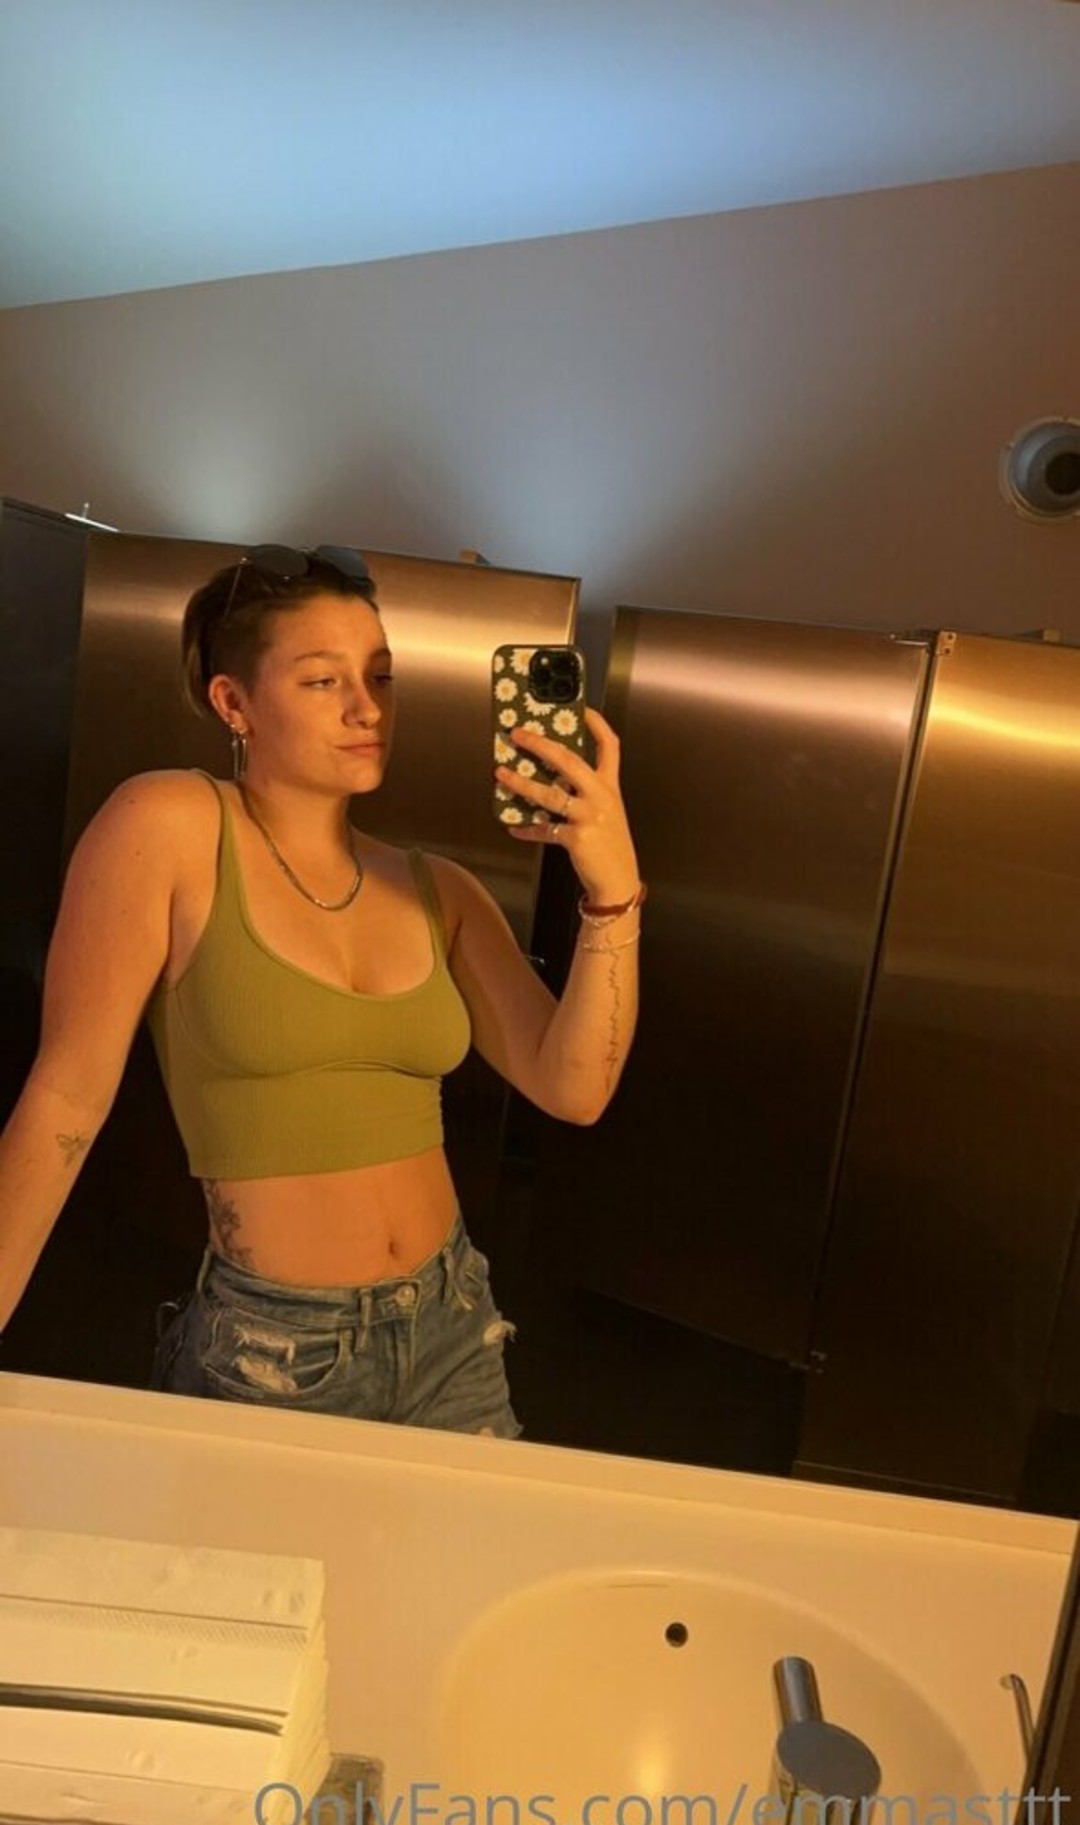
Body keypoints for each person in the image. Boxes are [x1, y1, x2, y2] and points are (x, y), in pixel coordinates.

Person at [0, 544, 642, 1436]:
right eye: (322, 681)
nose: (366, 707)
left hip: (454, 1328)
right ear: (234, 702)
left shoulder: (440, 890)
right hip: (275, 1350)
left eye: (380, 676)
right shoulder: (170, 825)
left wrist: (613, 891)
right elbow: (66, 1099)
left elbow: (576, 1088)